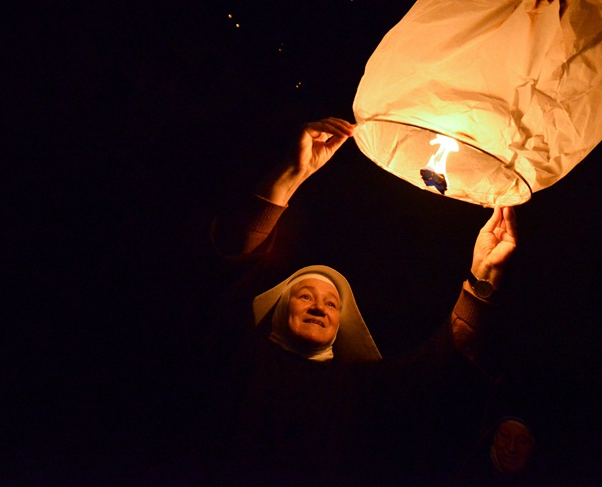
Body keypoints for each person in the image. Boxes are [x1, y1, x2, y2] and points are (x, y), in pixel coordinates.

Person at [202, 117, 518, 483]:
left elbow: (442, 369)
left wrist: (483, 276)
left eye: (332, 303)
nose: (320, 306)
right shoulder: (237, 353)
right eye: (305, 295)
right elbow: (226, 271)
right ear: (275, 311)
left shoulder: (360, 390)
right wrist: (293, 172)